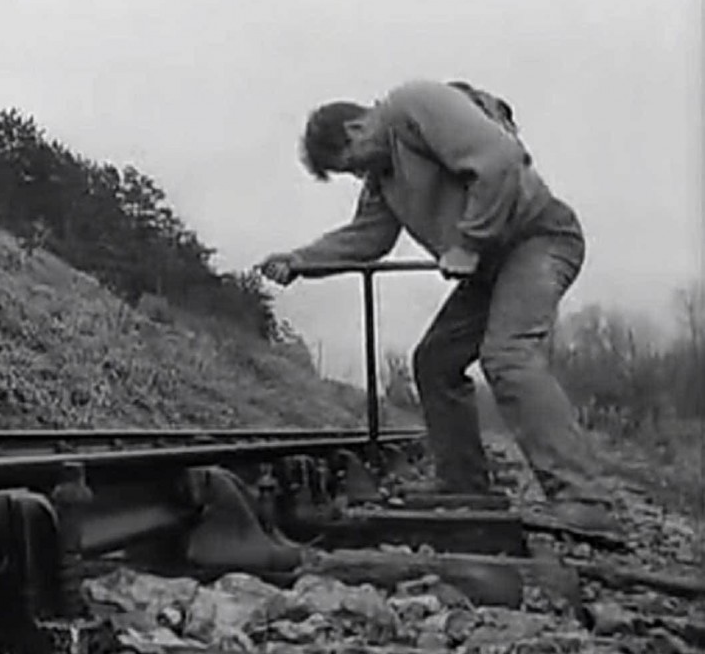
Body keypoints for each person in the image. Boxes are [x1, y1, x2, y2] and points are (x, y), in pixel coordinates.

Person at [259, 79, 622, 537]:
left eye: (350, 165)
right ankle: (464, 484)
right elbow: (368, 237)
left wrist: (468, 243)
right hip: (491, 265)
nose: (357, 176)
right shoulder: (384, 177)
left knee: (507, 354)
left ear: (356, 127)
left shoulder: (414, 105)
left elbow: (499, 160)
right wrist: (300, 260)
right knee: (435, 361)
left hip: (540, 238)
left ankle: (584, 499)